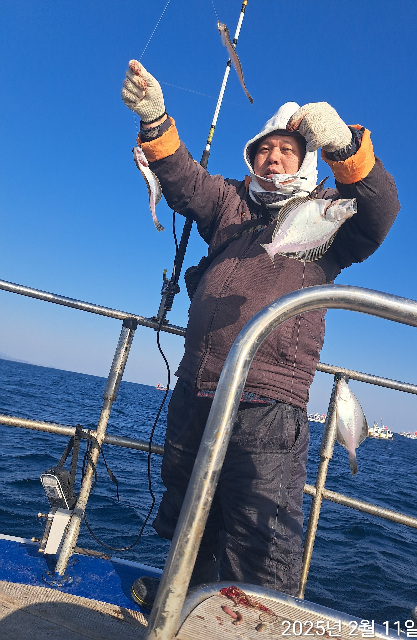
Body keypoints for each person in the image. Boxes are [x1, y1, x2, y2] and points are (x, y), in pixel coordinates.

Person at [121, 60, 400, 608]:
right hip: (197, 387)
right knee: (189, 508)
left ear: (307, 160)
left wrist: (345, 147)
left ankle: (257, 621)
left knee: (262, 535)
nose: (273, 157)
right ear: (251, 160)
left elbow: (379, 213)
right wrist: (154, 118)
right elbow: (183, 180)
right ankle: (184, 597)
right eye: (264, 150)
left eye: (287, 150)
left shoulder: (329, 217)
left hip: (270, 402)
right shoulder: (230, 202)